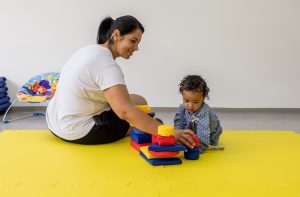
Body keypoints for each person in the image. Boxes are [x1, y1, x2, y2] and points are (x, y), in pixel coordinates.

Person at [46, 15, 195, 148]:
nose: (136, 48)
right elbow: (124, 112)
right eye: (133, 41)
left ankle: (145, 124)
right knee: (133, 115)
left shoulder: (90, 50)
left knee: (140, 101)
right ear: (116, 35)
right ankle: (134, 129)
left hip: (54, 122)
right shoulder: (107, 65)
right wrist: (169, 133)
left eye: (138, 43)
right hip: (77, 131)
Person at [174, 75, 223, 152]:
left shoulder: (204, 112)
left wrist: (198, 147)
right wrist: (179, 137)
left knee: (207, 142)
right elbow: (179, 122)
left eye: (195, 102)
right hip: (194, 126)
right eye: (186, 101)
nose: (190, 106)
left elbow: (203, 132)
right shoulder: (182, 107)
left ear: (203, 99)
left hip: (211, 134)